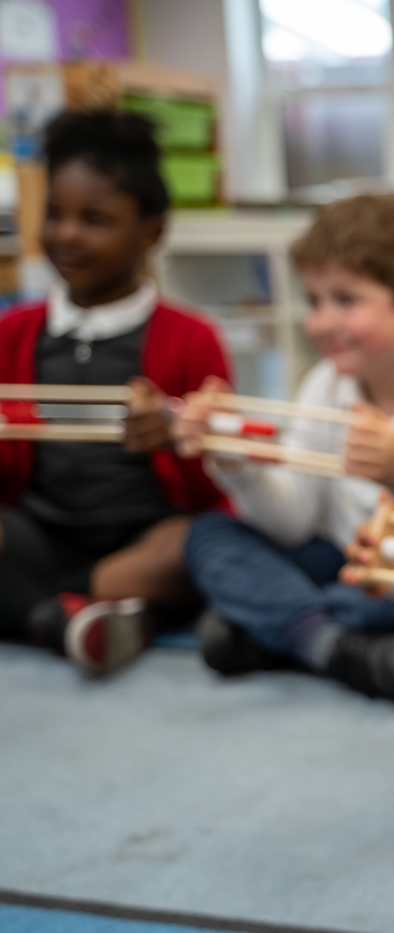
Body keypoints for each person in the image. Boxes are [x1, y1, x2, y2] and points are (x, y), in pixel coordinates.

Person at [173, 194, 394, 704]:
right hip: (356, 563)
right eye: (314, 301)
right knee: (210, 535)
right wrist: (236, 461)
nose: (320, 322)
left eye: (345, 300)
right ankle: (333, 645)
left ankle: (277, 627)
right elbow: (293, 523)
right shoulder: (325, 384)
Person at [0, 110, 230, 676]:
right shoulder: (14, 332)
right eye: (54, 214)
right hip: (37, 530)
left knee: (197, 546)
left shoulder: (191, 338)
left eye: (96, 219)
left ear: (150, 231)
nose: (67, 235)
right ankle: (65, 618)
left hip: (143, 539)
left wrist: (178, 435)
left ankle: (44, 605)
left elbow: (219, 481)